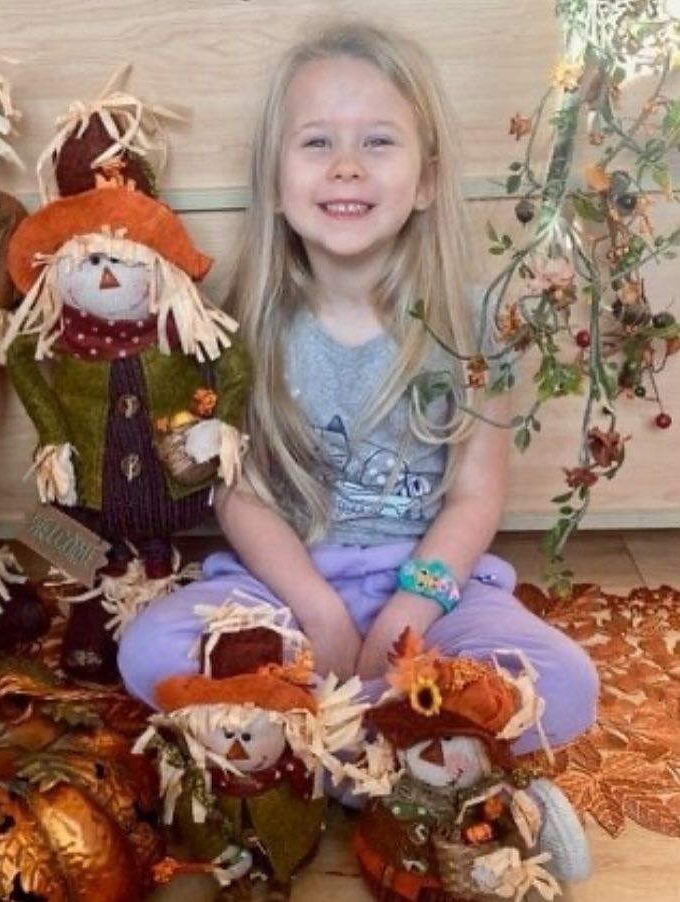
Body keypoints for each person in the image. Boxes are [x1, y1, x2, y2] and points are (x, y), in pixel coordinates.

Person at [118, 21, 598, 756]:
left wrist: (410, 611)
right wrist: (318, 610)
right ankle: (405, 743)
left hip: (431, 590)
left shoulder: (475, 324)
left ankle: (314, 739)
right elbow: (237, 493)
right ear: (274, 184)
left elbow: (475, 497)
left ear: (427, 180)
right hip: (283, 587)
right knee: (150, 649)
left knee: (564, 684)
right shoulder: (236, 327)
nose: (346, 167)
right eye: (317, 142)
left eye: (377, 141)